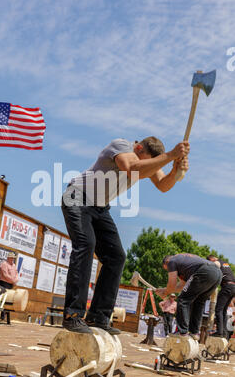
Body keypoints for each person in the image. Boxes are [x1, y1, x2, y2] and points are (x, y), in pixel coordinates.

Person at [61, 136, 190, 335]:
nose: (148, 166)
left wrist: (175, 168)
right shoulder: (121, 146)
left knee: (116, 256)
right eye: (146, 159)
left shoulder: (146, 160)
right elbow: (132, 168)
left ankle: (98, 316)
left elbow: (164, 185)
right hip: (77, 197)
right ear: (138, 147)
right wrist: (171, 155)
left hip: (100, 207)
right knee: (86, 244)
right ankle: (73, 315)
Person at [156, 253, 222, 339]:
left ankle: (182, 332)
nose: (169, 271)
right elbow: (181, 286)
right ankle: (194, 332)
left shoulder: (172, 261)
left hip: (204, 271)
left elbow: (172, 285)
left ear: (167, 262)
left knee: (182, 300)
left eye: (167, 269)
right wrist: (165, 290)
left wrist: (165, 293)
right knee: (199, 302)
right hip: (217, 274)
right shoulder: (184, 263)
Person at [207, 255, 235, 338]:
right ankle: (224, 333)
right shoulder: (225, 263)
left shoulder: (216, 262)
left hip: (227, 286)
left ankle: (219, 332)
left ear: (211, 259)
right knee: (223, 311)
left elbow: (214, 270)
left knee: (218, 310)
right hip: (233, 287)